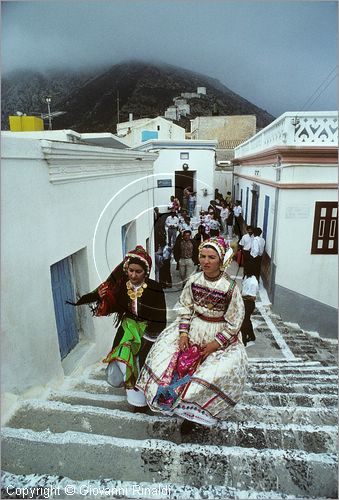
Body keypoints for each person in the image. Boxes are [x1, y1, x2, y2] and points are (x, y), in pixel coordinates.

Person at [137, 237, 248, 432]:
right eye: (203, 256)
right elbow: (186, 308)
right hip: (193, 329)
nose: (206, 261)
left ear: (221, 260)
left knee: (207, 376)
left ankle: (194, 416)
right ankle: (178, 408)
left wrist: (216, 343)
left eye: (212, 257)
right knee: (167, 360)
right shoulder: (194, 280)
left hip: (217, 333)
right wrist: (182, 335)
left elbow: (235, 321)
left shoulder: (230, 288)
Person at [69, 246, 167, 412]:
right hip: (127, 330)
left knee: (144, 364)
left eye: (138, 271)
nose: (133, 275)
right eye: (130, 271)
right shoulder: (121, 286)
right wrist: (98, 297)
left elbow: (160, 319)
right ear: (126, 269)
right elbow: (107, 298)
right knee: (125, 363)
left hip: (148, 332)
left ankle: (149, 397)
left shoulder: (155, 289)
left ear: (146, 272)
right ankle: (137, 402)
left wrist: (147, 340)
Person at [241, 275, 258, 346]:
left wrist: (242, 296)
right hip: (244, 302)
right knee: (247, 320)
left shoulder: (253, 282)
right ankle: (252, 336)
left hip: (249, 304)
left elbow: (253, 297)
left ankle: (244, 340)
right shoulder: (246, 277)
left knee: (244, 321)